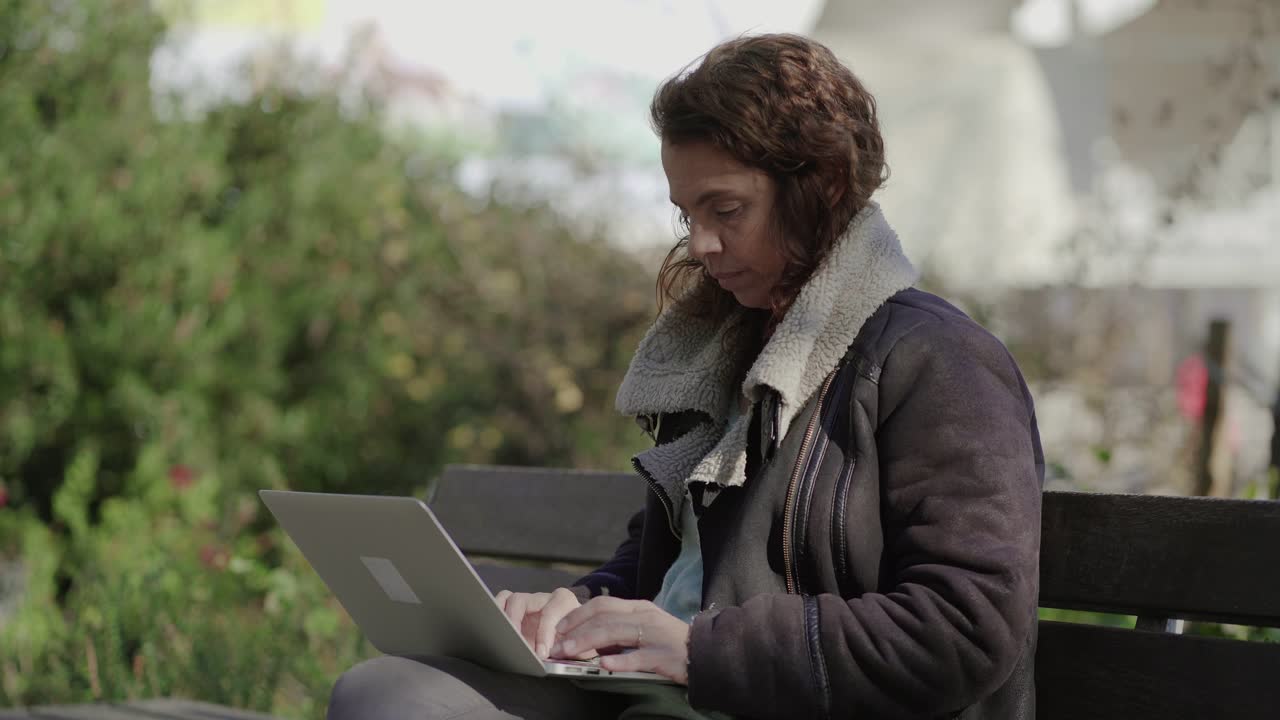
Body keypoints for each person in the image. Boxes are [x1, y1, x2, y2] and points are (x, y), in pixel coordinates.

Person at [327, 33, 1043, 720]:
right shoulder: (726, 347)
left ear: (822, 187)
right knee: (388, 694)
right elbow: (680, 568)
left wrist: (705, 651)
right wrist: (579, 609)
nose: (700, 245)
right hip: (648, 695)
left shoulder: (937, 360)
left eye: (726, 210)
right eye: (687, 213)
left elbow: (966, 626)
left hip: (767, 702)